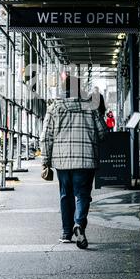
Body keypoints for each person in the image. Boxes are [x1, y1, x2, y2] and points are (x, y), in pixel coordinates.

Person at [40, 74, 107, 249]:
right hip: (86, 160)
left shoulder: (54, 107)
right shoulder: (91, 106)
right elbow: (102, 132)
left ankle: (66, 232)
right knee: (83, 195)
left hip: (62, 161)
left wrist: (46, 160)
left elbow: (46, 137)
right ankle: (79, 224)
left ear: (63, 88)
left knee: (65, 195)